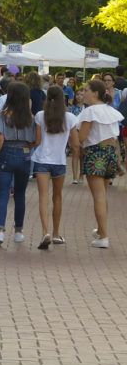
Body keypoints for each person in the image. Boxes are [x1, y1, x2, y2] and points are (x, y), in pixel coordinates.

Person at [77, 78, 124, 249]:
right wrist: (118, 161)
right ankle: (102, 230)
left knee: (98, 196)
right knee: (103, 195)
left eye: (86, 90)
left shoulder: (90, 112)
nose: (84, 93)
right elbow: (115, 138)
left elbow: (82, 137)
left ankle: (104, 235)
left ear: (95, 93)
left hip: (96, 152)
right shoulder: (109, 110)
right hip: (111, 153)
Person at [0, 83, 36, 248]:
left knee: (2, 195)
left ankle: (0, 231)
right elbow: (34, 141)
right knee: (20, 195)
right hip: (24, 154)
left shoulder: (2, 116)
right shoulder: (31, 117)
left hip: (6, 153)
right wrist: (27, 149)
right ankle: (18, 232)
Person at [33, 86, 80, 249]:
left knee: (43, 196)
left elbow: (37, 141)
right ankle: (56, 233)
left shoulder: (40, 115)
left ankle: (45, 231)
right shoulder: (70, 118)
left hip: (42, 160)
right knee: (57, 197)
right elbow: (75, 144)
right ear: (63, 99)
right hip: (60, 161)